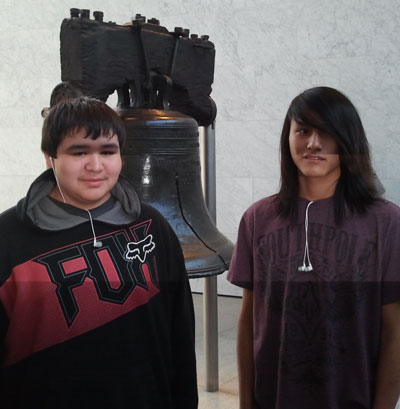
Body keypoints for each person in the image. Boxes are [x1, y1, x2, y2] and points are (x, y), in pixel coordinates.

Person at [0, 96, 198, 409]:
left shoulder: (152, 226)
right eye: (79, 152)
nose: (96, 166)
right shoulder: (7, 237)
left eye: (108, 151)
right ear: (50, 157)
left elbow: (180, 332)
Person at [227, 86, 400, 409]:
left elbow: (395, 330)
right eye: (303, 130)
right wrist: (246, 404)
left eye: (327, 132)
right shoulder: (258, 218)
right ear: (287, 138)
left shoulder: (386, 221)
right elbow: (249, 320)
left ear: (348, 141)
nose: (313, 144)